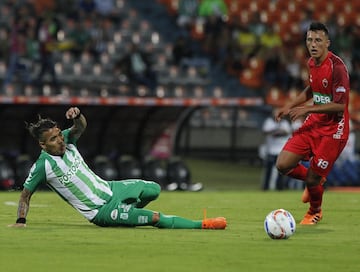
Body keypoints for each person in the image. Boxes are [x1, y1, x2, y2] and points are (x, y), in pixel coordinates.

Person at [9, 107, 226, 229]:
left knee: (153, 189)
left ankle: (127, 215)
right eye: (54, 139)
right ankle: (203, 224)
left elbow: (80, 127)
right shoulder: (43, 166)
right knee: (156, 218)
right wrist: (21, 221)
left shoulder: (67, 139)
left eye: (58, 135)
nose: (60, 140)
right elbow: (25, 195)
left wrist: (78, 116)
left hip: (111, 189)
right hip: (101, 211)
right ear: (42, 144)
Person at [275, 22, 350, 225]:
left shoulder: (338, 68)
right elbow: (311, 89)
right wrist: (289, 105)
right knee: (282, 165)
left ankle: (314, 211)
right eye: (309, 40)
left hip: (334, 130)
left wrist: (308, 108)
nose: (313, 44)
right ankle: (316, 180)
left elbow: (339, 106)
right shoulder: (311, 63)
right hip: (315, 122)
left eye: (318, 40)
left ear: (327, 42)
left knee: (312, 180)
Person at [260, 107, 292, 190]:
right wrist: (277, 130)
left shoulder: (285, 123)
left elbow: (285, 132)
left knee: (280, 171)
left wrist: (274, 132)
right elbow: (265, 131)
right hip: (270, 150)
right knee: (268, 170)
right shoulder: (269, 122)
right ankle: (265, 188)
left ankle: (279, 188)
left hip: (281, 151)